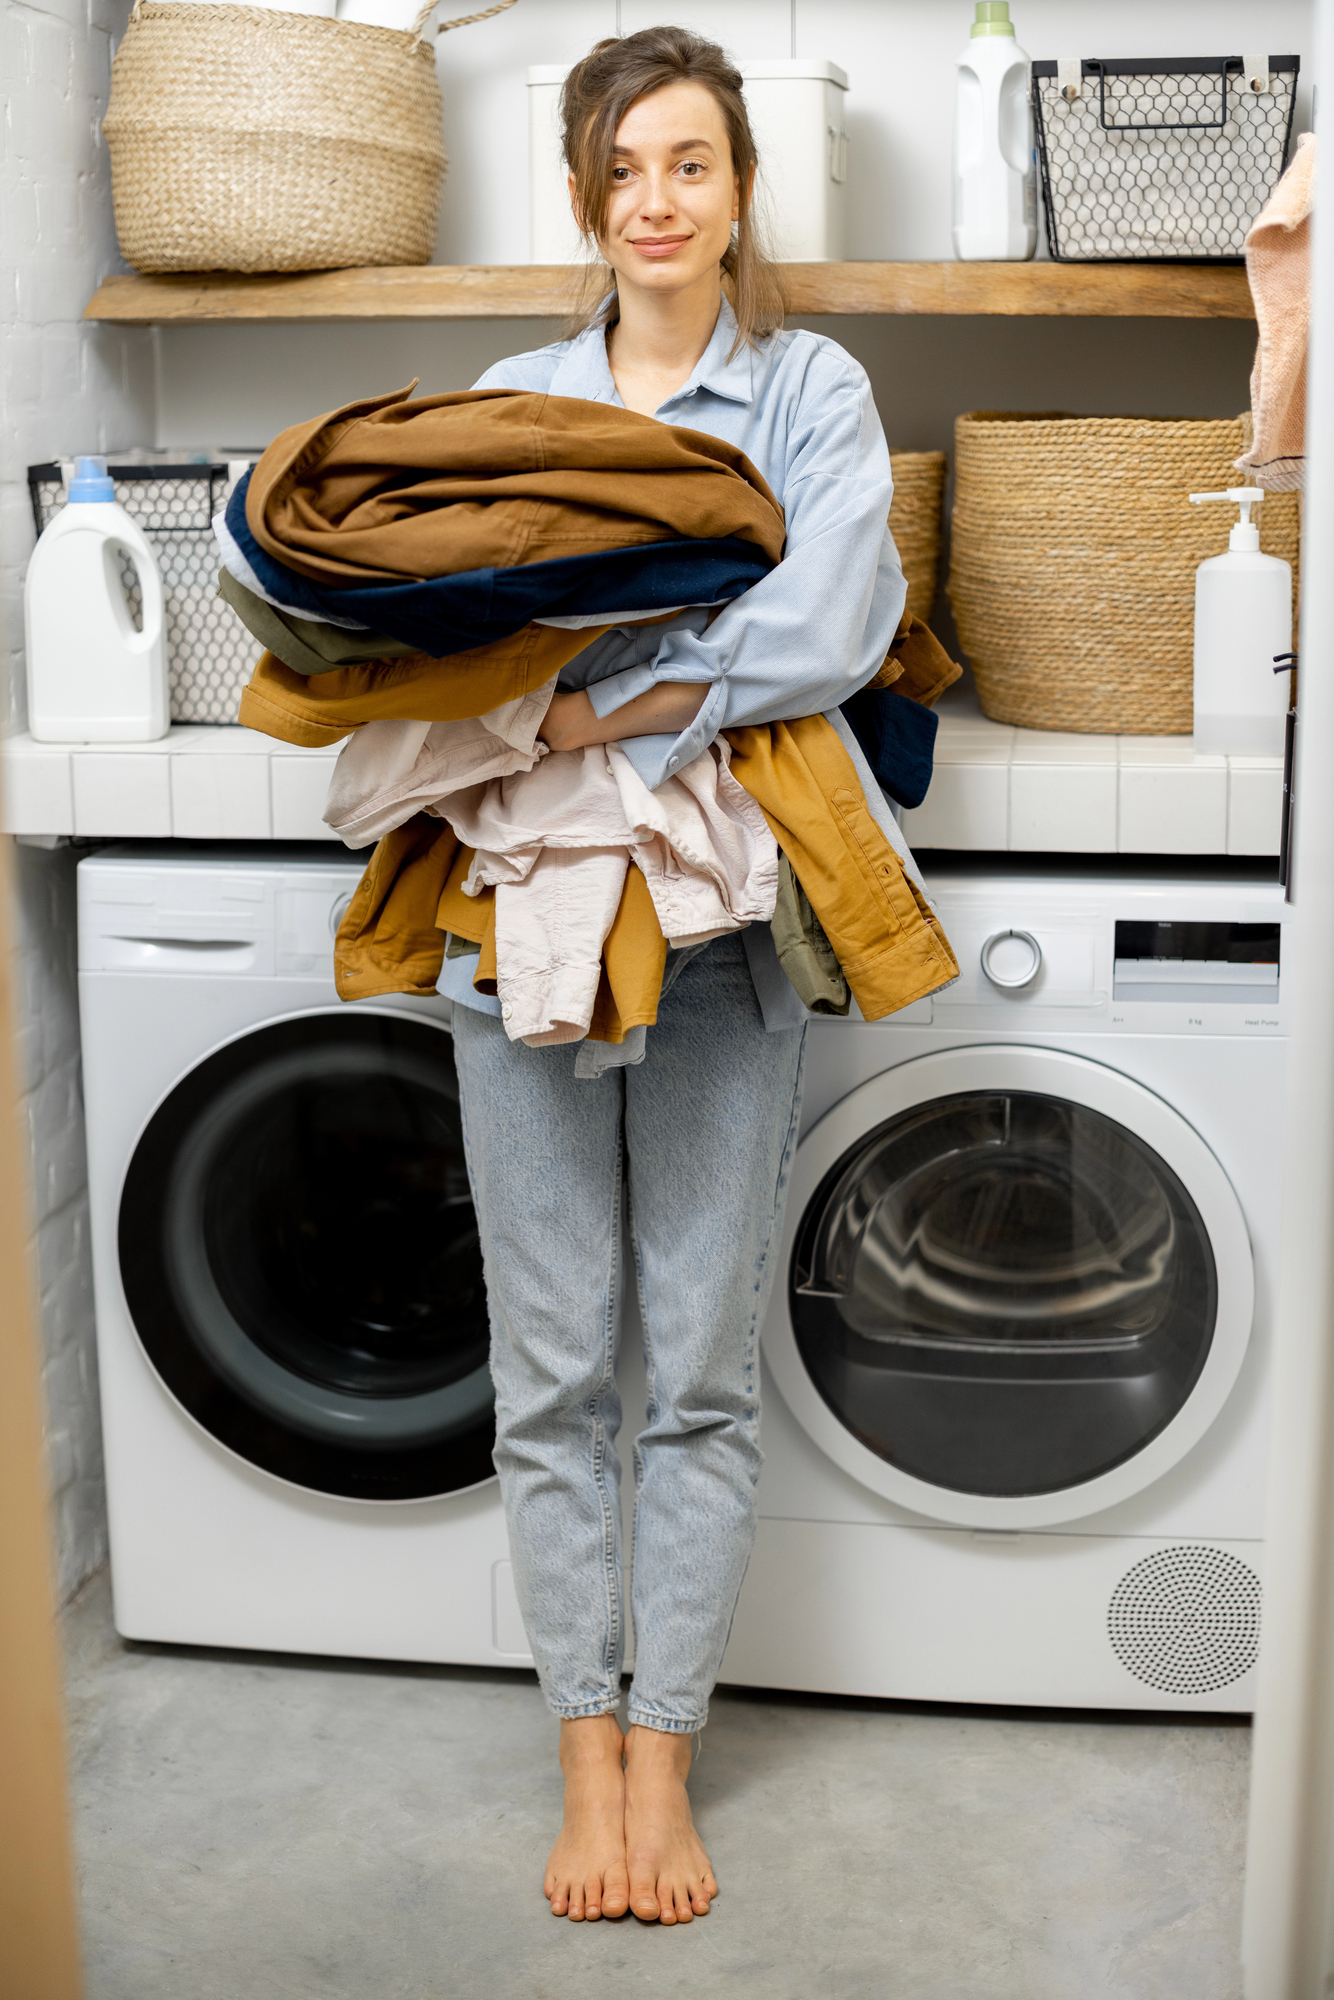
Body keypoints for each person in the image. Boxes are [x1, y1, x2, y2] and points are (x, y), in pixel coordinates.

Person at [447, 24, 906, 1926]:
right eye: (624, 168)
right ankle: (582, 1745)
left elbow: (835, 617)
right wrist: (646, 662)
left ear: (736, 191)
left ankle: (665, 1757)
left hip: (724, 938)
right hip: (526, 929)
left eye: (690, 164)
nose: (656, 199)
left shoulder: (806, 389)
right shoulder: (513, 391)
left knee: (694, 1378)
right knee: (556, 1373)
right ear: (584, 196)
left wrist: (612, 698)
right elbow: (461, 635)